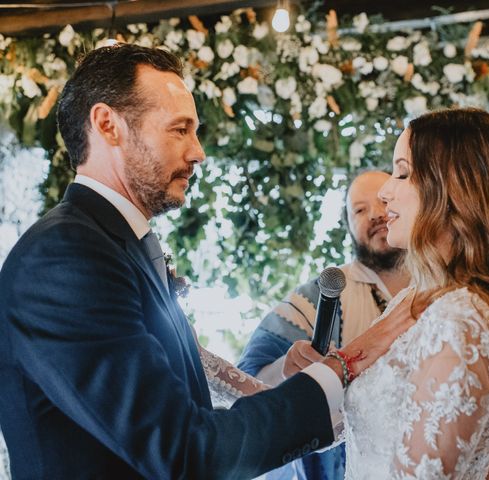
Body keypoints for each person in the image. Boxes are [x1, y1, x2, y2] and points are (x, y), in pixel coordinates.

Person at [0, 43, 414, 479]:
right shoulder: (65, 259)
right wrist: (348, 362)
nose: (198, 152)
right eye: (180, 129)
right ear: (108, 125)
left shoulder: (114, 243)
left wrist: (302, 384)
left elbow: (187, 382)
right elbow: (182, 450)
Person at [333, 108, 489, 479]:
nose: (386, 191)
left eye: (402, 173)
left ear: (452, 188)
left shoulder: (460, 322)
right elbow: (348, 425)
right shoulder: (417, 301)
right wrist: (201, 361)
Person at [238, 170, 410, 480]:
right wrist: (287, 366)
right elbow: (247, 383)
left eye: (384, 200)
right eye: (359, 209)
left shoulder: (442, 285)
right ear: (348, 227)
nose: (375, 214)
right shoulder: (319, 296)